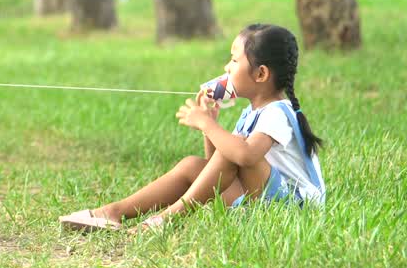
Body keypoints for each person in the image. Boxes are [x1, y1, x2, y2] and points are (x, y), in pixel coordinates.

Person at [59, 23, 325, 232]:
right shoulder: (251, 112)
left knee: (234, 149)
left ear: (261, 74)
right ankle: (113, 212)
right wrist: (211, 125)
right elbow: (217, 173)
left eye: (233, 60)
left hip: (296, 208)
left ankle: (164, 221)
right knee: (191, 165)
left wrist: (206, 123)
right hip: (264, 199)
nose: (226, 67)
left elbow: (244, 157)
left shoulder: (278, 113)